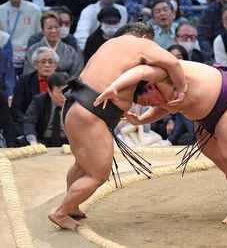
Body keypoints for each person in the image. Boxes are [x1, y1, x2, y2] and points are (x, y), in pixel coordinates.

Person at [48, 21, 188, 230]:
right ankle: (60, 212)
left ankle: (73, 205)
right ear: (145, 38)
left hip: (73, 107)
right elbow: (174, 63)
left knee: (82, 164)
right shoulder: (141, 44)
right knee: (98, 175)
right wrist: (183, 88)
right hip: (90, 112)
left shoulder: (110, 44)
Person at [94, 61, 227, 225]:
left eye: (148, 102)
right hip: (204, 115)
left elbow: (142, 71)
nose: (151, 105)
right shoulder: (158, 91)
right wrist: (140, 120)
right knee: (209, 150)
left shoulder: (163, 72)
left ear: (150, 86)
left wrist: (114, 86)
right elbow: (162, 108)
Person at [11, 46, 59, 137]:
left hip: (55, 125)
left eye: (50, 62)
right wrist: (27, 122)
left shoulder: (63, 82)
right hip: (28, 123)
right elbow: (15, 109)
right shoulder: (24, 81)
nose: (47, 65)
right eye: (43, 61)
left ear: (55, 65)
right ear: (35, 65)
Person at [23, 11, 81, 78]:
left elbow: (76, 77)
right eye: (49, 28)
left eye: (56, 27)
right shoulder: (32, 51)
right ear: (43, 30)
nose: (53, 31)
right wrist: (64, 74)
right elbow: (28, 76)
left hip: (65, 87)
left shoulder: (71, 51)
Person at [23, 73, 69, 147]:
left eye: (66, 91)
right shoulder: (39, 101)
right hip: (43, 141)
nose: (63, 96)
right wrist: (33, 142)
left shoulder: (74, 102)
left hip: (68, 142)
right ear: (50, 92)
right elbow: (29, 122)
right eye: (59, 92)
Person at [0, 0, 42, 75]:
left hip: (29, 58)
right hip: (6, 57)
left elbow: (39, 36)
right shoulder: (1, 10)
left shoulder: (35, 10)